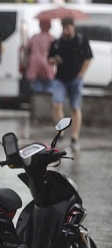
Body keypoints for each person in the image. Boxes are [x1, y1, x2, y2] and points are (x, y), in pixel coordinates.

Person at [48, 16, 93, 152]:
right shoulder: (57, 42)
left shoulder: (81, 40)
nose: (65, 30)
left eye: (68, 27)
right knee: (57, 104)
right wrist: (54, 60)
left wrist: (81, 74)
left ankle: (74, 136)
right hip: (60, 78)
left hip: (75, 78)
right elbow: (49, 59)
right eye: (63, 27)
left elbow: (88, 58)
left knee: (75, 107)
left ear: (73, 26)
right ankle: (61, 131)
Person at [24, 19, 55, 94]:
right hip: (47, 64)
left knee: (37, 87)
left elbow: (26, 48)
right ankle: (47, 102)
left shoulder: (34, 37)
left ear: (40, 26)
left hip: (34, 64)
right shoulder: (51, 38)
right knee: (49, 86)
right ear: (50, 26)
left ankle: (38, 101)